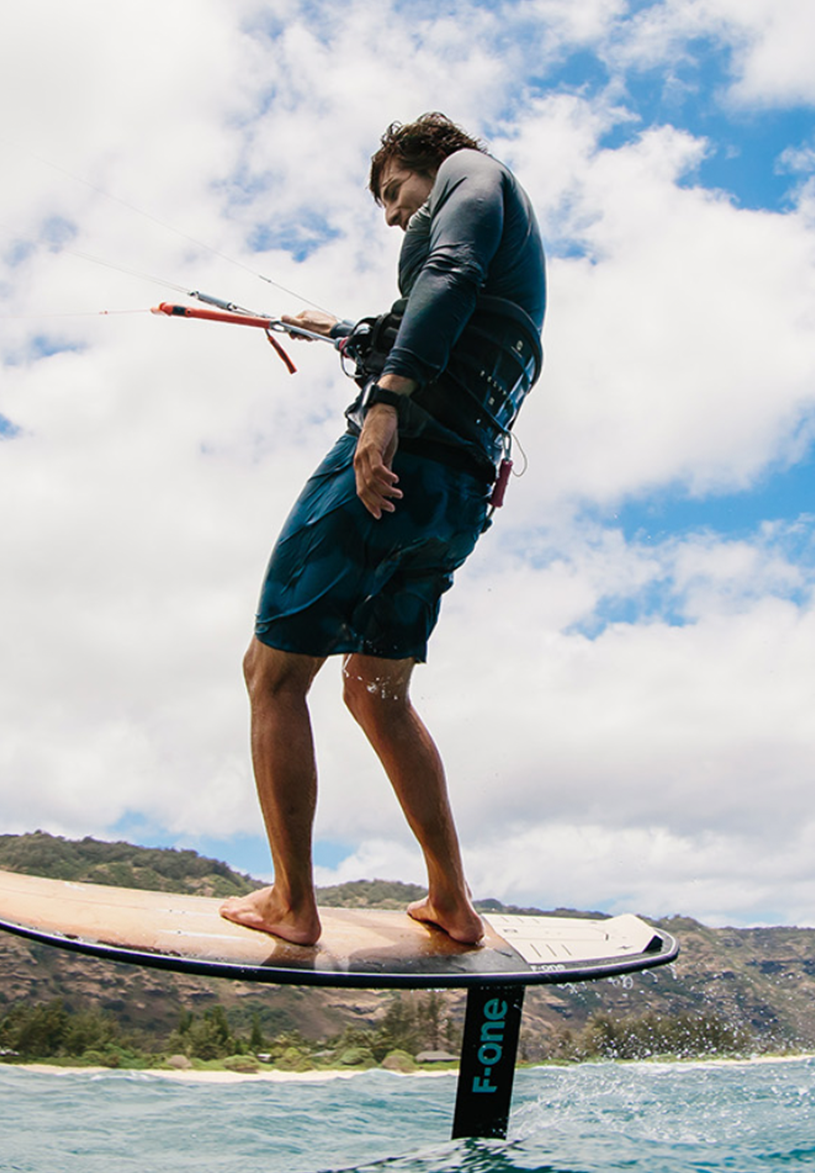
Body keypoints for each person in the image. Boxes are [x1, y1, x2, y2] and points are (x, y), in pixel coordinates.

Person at [219, 113, 546, 947]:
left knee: (272, 671)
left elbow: (450, 268)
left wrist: (386, 403)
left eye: (394, 194)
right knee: (375, 688)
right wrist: (346, 331)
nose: (395, 215)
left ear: (425, 162)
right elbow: (455, 313)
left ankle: (292, 902)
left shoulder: (472, 172)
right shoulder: (508, 247)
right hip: (457, 493)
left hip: (401, 467)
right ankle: (452, 902)